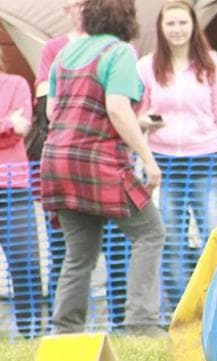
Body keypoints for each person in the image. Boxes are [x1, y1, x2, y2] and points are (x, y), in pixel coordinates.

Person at [40, 0, 166, 337]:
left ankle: (65, 331)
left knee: (79, 252)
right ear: (125, 16)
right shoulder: (119, 52)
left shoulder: (64, 54)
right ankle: (142, 324)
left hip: (57, 161)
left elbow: (54, 112)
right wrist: (149, 160)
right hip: (98, 162)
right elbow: (117, 109)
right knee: (150, 232)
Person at [137, 0, 217, 313]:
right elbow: (136, 113)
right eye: (170, 24)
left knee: (214, 233)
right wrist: (146, 121)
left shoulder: (213, 65)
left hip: (205, 161)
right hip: (163, 162)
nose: (177, 30)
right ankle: (181, 311)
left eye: (183, 23)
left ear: (194, 26)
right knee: (171, 242)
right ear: (161, 28)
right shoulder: (146, 66)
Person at [32, 0, 131, 331]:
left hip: (78, 160)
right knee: (73, 254)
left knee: (108, 254)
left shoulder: (112, 49)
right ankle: (69, 328)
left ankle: (112, 325)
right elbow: (48, 106)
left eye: (78, 4)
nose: (72, 10)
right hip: (86, 163)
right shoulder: (55, 49)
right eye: (69, 6)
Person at [0, 48, 43, 338]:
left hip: (13, 186)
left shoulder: (16, 83)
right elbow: (13, 127)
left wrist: (13, 128)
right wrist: (6, 124)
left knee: (25, 262)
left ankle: (31, 332)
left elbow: (23, 128)